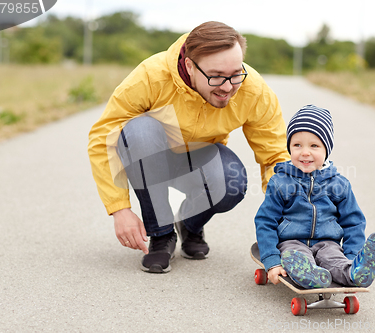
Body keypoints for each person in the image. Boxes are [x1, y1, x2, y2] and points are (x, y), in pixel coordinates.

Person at [88, 21, 289, 273]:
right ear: (189, 66)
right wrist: (120, 209)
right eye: (216, 76)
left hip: (199, 161)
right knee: (139, 130)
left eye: (236, 74)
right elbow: (103, 136)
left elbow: (275, 156)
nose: (228, 87)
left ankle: (190, 225)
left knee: (232, 181)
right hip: (150, 159)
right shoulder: (152, 76)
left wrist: (287, 215)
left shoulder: (253, 90)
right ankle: (161, 235)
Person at [254, 105, 375, 288]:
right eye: (297, 145)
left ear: (327, 149)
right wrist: (272, 260)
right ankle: (310, 275)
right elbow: (265, 221)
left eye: (314, 145)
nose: (305, 152)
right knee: (297, 257)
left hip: (328, 243)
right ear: (289, 147)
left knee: (334, 261)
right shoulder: (280, 182)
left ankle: (355, 272)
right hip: (292, 243)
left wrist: (352, 255)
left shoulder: (339, 185)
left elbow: (353, 223)